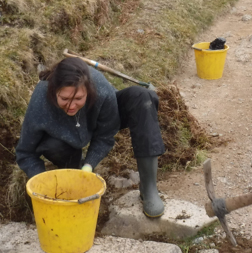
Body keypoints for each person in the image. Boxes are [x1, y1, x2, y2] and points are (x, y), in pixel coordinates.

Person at [16, 57, 166, 217]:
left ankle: (148, 188)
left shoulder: (101, 89)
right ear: (54, 91)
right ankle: (73, 177)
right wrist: (42, 183)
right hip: (64, 137)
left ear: (88, 90)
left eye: (78, 99)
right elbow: (25, 152)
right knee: (53, 146)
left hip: (98, 119)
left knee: (142, 97)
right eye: (64, 99)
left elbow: (105, 136)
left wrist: (89, 164)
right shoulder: (41, 99)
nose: (71, 105)